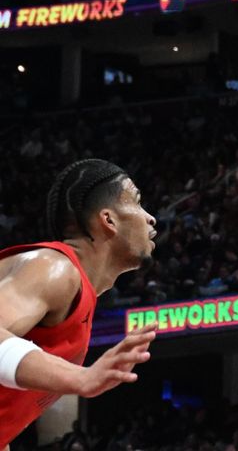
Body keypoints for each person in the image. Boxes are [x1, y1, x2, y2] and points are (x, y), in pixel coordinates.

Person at [0, 159, 158, 448]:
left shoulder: (75, 293)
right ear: (108, 220)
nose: (151, 218)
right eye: (137, 202)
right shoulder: (55, 269)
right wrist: (81, 378)